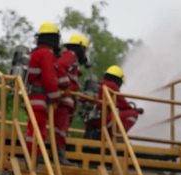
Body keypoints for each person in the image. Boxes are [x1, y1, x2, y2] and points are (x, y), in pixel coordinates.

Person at [25, 22, 62, 157]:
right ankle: (33, 156)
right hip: (39, 99)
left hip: (33, 97)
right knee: (37, 129)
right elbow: (49, 79)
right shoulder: (46, 54)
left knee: (36, 128)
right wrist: (56, 97)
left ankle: (35, 155)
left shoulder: (36, 53)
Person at [55, 33, 91, 165]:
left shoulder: (73, 60)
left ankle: (59, 154)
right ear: (80, 48)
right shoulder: (70, 55)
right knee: (60, 129)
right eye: (85, 50)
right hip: (64, 100)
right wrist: (66, 87)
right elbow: (59, 67)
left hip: (67, 101)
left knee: (61, 128)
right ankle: (59, 156)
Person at [83, 65, 143, 140]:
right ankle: (116, 139)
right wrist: (136, 110)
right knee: (132, 114)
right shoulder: (111, 86)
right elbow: (124, 105)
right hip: (100, 120)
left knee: (114, 114)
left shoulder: (100, 84)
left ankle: (99, 135)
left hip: (90, 122)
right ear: (118, 79)